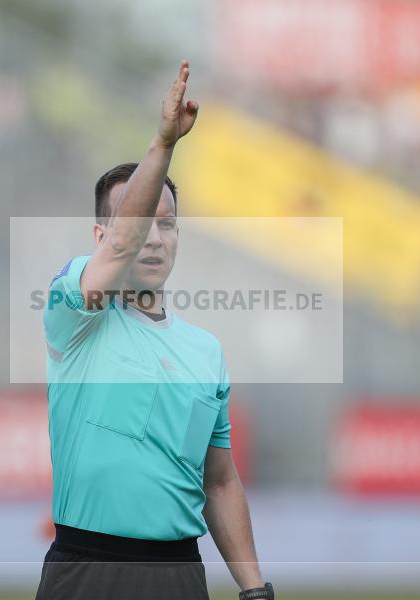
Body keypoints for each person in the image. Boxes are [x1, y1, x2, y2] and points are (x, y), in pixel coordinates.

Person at [36, 60, 274, 600]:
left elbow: (217, 480)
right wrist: (163, 143)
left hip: (178, 576)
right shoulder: (72, 312)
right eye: (138, 222)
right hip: (85, 570)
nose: (151, 237)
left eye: (165, 224)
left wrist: (255, 588)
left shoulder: (205, 353)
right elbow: (119, 249)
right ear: (102, 233)